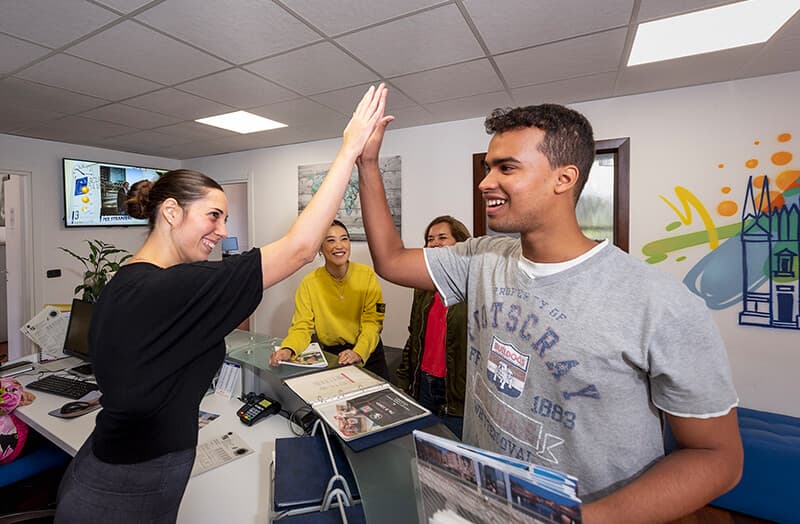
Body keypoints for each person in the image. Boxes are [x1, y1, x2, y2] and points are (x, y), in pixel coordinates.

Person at [356, 104, 743, 522]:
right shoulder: (483, 257)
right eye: (488, 167)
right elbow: (391, 260)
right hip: (483, 506)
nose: (486, 182)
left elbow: (716, 457)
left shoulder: (659, 302)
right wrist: (368, 163)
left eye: (507, 168)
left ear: (564, 178)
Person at [54, 84, 388, 523]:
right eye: (213, 215)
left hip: (110, 463)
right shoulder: (171, 289)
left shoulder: (128, 282)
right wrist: (349, 150)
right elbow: (302, 248)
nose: (221, 230)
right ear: (171, 212)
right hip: (128, 487)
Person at [269, 220, 389, 379]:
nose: (339, 245)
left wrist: (358, 352)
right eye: (330, 240)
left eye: (344, 238)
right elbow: (302, 327)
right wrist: (288, 349)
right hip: (334, 355)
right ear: (320, 247)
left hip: (367, 352)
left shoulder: (366, 275)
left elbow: (373, 322)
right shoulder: (309, 284)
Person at [396, 215, 470, 438]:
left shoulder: (473, 285)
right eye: (430, 239)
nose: (435, 243)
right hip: (424, 385)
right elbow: (413, 336)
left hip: (456, 394)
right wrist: (403, 381)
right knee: (422, 450)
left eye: (442, 237)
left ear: (460, 242)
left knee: (454, 459)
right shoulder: (422, 287)